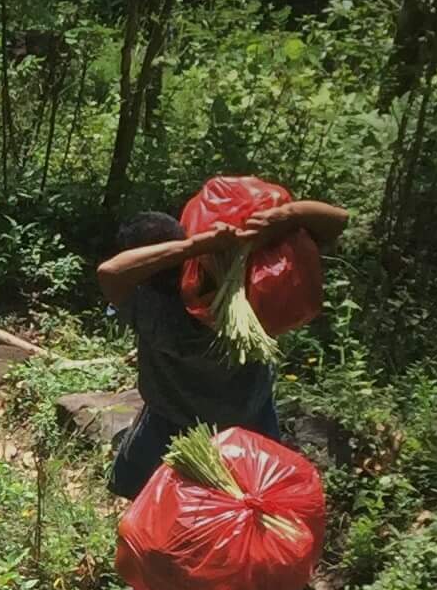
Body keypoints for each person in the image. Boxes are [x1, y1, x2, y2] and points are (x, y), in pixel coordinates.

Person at [97, 195, 349, 500]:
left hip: (169, 424)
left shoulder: (145, 306)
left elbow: (110, 272)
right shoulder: (237, 283)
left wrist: (196, 247)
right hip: (248, 424)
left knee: (151, 506)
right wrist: (286, 215)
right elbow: (339, 220)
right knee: (251, 507)